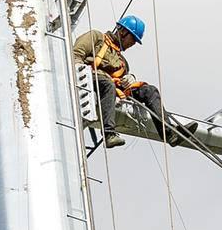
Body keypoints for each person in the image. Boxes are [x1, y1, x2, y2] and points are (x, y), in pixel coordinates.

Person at [72, 15, 194, 150]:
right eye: (133, 39)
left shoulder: (122, 62)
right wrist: (84, 76)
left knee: (150, 91)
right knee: (107, 83)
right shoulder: (96, 38)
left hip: (112, 88)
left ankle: (169, 133)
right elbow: (75, 56)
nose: (133, 44)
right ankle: (109, 133)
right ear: (123, 31)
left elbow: (123, 84)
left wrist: (129, 80)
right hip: (90, 79)